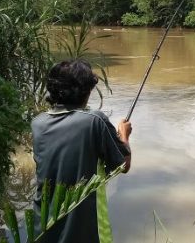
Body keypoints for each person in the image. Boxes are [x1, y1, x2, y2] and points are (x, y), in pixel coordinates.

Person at [31, 59, 132, 242]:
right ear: (85, 91)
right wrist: (124, 135)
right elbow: (123, 165)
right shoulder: (94, 121)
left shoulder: (37, 123)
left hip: (44, 228)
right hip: (85, 230)